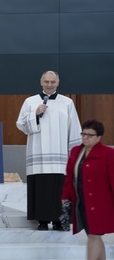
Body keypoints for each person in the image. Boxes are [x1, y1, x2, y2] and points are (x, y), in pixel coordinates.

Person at [17, 71, 82, 230]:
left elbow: (73, 128)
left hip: (59, 153)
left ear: (58, 83)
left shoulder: (67, 102)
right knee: (41, 187)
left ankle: (60, 221)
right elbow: (21, 125)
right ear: (41, 82)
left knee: (60, 187)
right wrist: (35, 114)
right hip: (37, 152)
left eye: (53, 82)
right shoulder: (30, 101)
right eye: (46, 82)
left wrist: (74, 154)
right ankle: (42, 220)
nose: (49, 85)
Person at [62, 120, 114, 260]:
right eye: (83, 134)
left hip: (102, 203)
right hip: (81, 202)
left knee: (94, 235)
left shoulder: (108, 154)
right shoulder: (76, 151)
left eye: (90, 135)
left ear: (99, 137)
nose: (85, 138)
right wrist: (65, 196)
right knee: (94, 236)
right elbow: (70, 177)